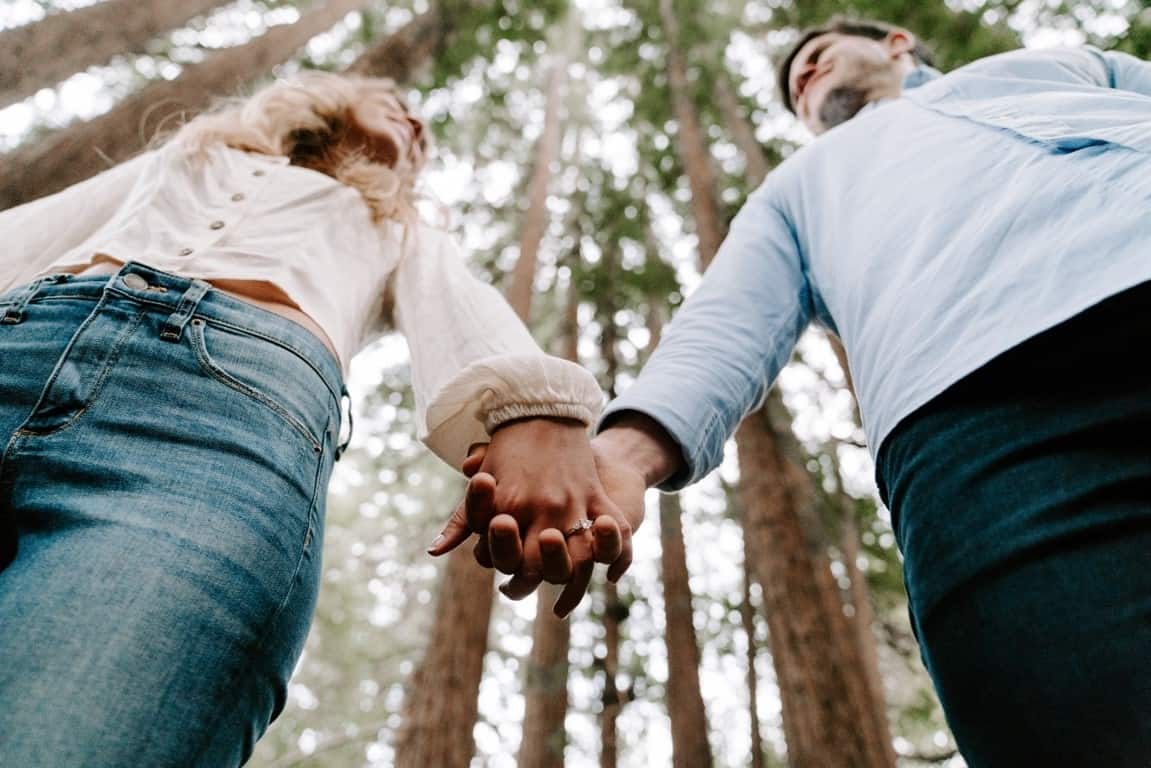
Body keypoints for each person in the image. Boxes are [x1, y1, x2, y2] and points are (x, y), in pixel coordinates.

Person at [441, 18, 1151, 767]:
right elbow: (726, 324)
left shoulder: (1063, 66)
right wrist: (620, 455)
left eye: (817, 57)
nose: (805, 77)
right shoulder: (796, 188)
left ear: (896, 42)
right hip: (979, 437)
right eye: (792, 86)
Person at [0, 71, 631, 766]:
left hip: (216, 428)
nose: (414, 124)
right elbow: (35, 229)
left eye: (422, 132)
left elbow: (453, 297)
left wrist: (535, 412)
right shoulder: (193, 153)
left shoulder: (396, 221)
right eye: (396, 102)